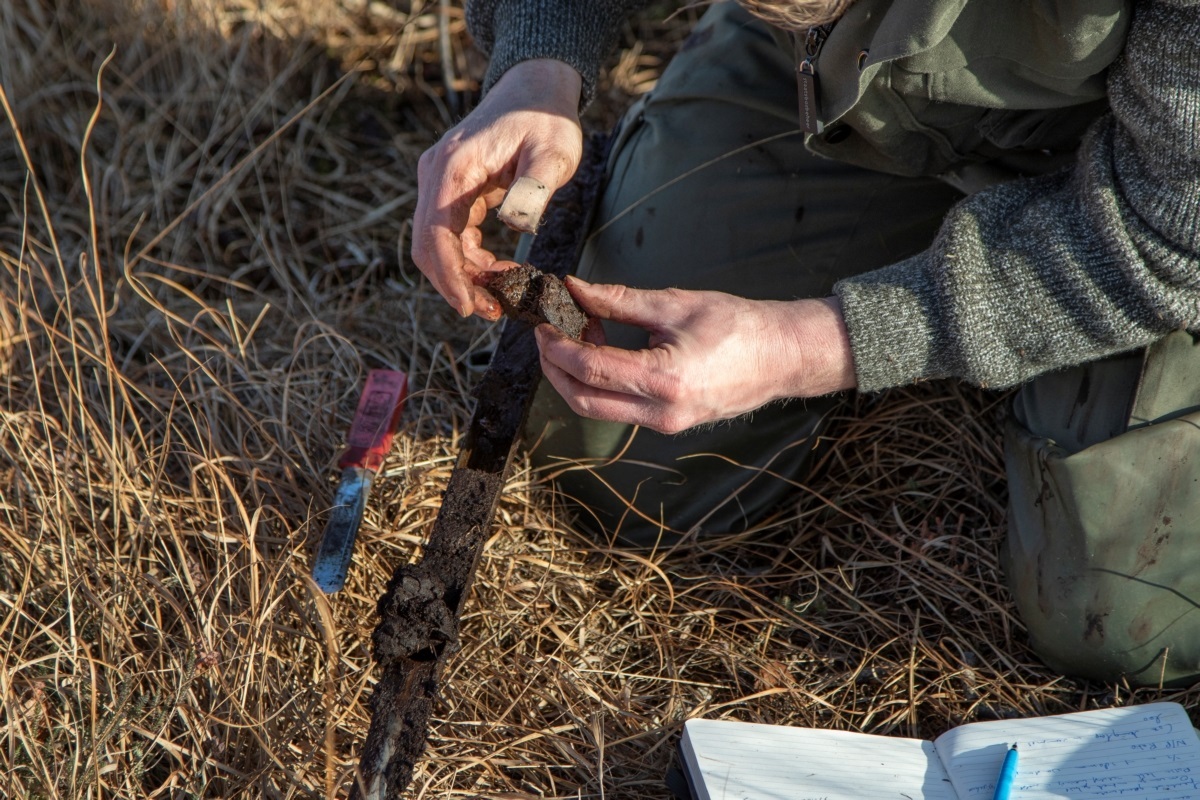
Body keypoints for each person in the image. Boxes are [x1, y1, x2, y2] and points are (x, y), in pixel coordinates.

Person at [410, 0, 1200, 685]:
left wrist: (806, 344)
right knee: (616, 448)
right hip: (844, 74)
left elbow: (1171, 234)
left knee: (1124, 612)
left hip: (1149, 173)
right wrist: (541, 65)